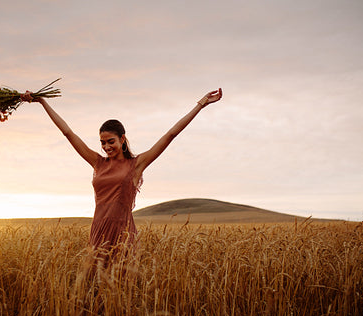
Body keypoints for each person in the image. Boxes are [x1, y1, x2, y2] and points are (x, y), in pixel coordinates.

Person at [21, 87, 222, 255]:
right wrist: (42, 102)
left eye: (111, 142)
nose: (106, 147)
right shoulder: (97, 163)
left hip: (122, 235)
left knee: (120, 289)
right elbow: (67, 132)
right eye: (102, 143)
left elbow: (171, 134)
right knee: (95, 290)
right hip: (98, 231)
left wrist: (201, 104)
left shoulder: (136, 165)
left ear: (122, 139)